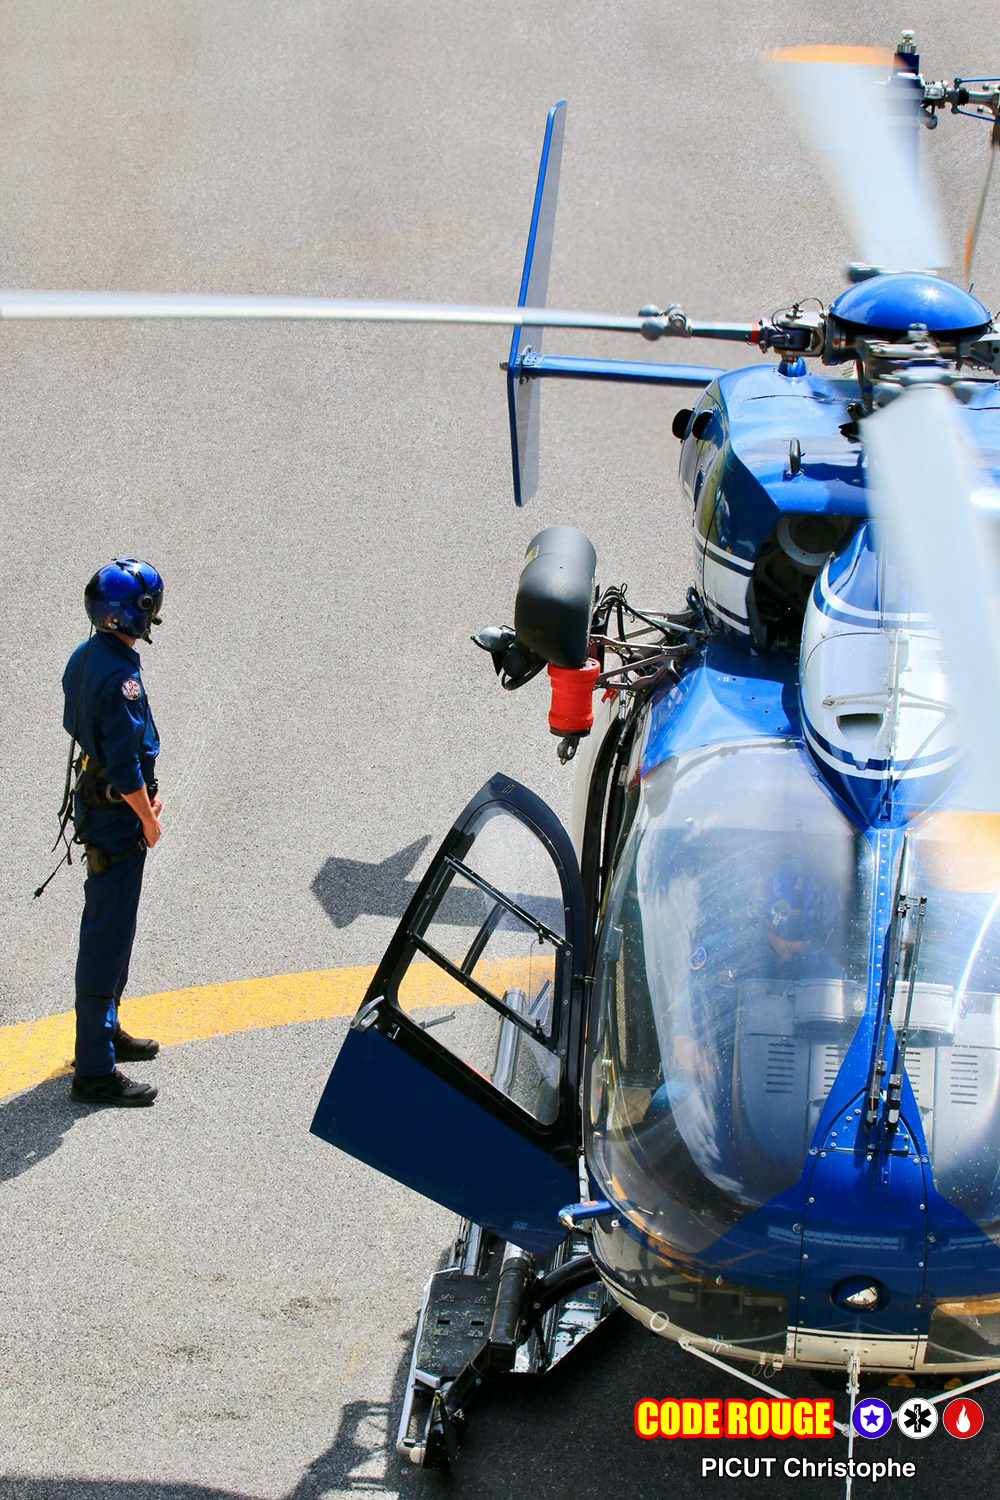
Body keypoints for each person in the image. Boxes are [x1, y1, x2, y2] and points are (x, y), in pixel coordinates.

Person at [63, 558, 165, 1106]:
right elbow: (124, 765)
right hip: (117, 818)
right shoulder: (122, 678)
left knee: (115, 930)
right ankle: (95, 1071)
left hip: (100, 802)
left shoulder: (85, 658)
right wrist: (147, 818)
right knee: (106, 938)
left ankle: (107, 1032)